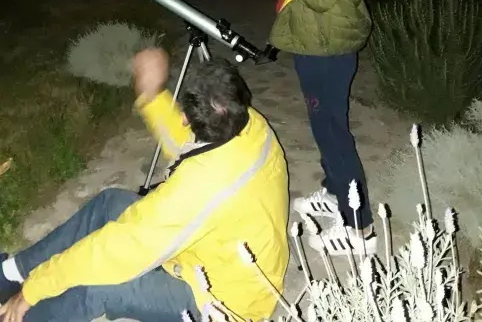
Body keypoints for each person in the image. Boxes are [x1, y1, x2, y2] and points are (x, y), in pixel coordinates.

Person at [0, 48, 289, 322]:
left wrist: (32, 292)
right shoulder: (247, 123)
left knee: (101, 286)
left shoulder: (198, 188)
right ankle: (9, 273)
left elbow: (116, 250)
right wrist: (151, 97)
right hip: (216, 253)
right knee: (110, 202)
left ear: (186, 118)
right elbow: (190, 144)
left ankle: (18, 315)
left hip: (223, 302)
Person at [270, 0, 389, 254]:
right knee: (327, 124)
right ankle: (333, 189)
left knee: (332, 131)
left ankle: (360, 229)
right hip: (319, 41)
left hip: (325, 46)